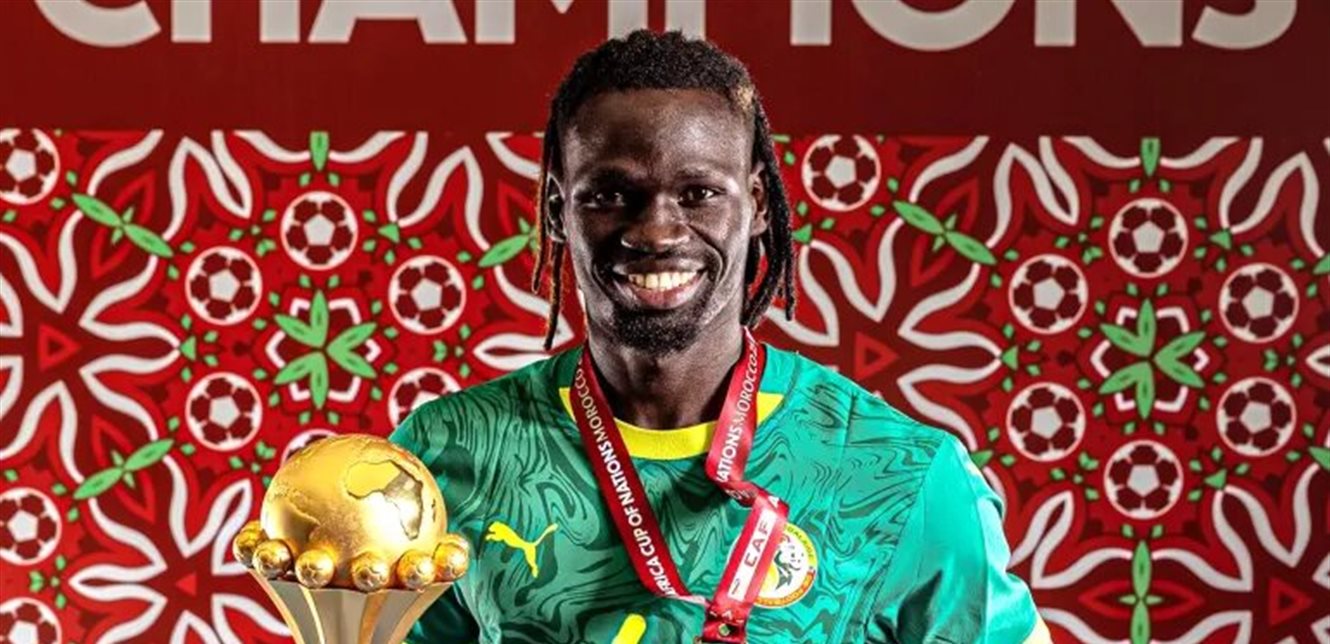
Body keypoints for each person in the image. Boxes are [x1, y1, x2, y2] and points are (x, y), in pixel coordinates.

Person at [391, 29, 1050, 643]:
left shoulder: (906, 474)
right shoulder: (444, 456)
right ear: (559, 210)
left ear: (758, 203)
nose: (656, 231)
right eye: (611, 195)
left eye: (699, 193)